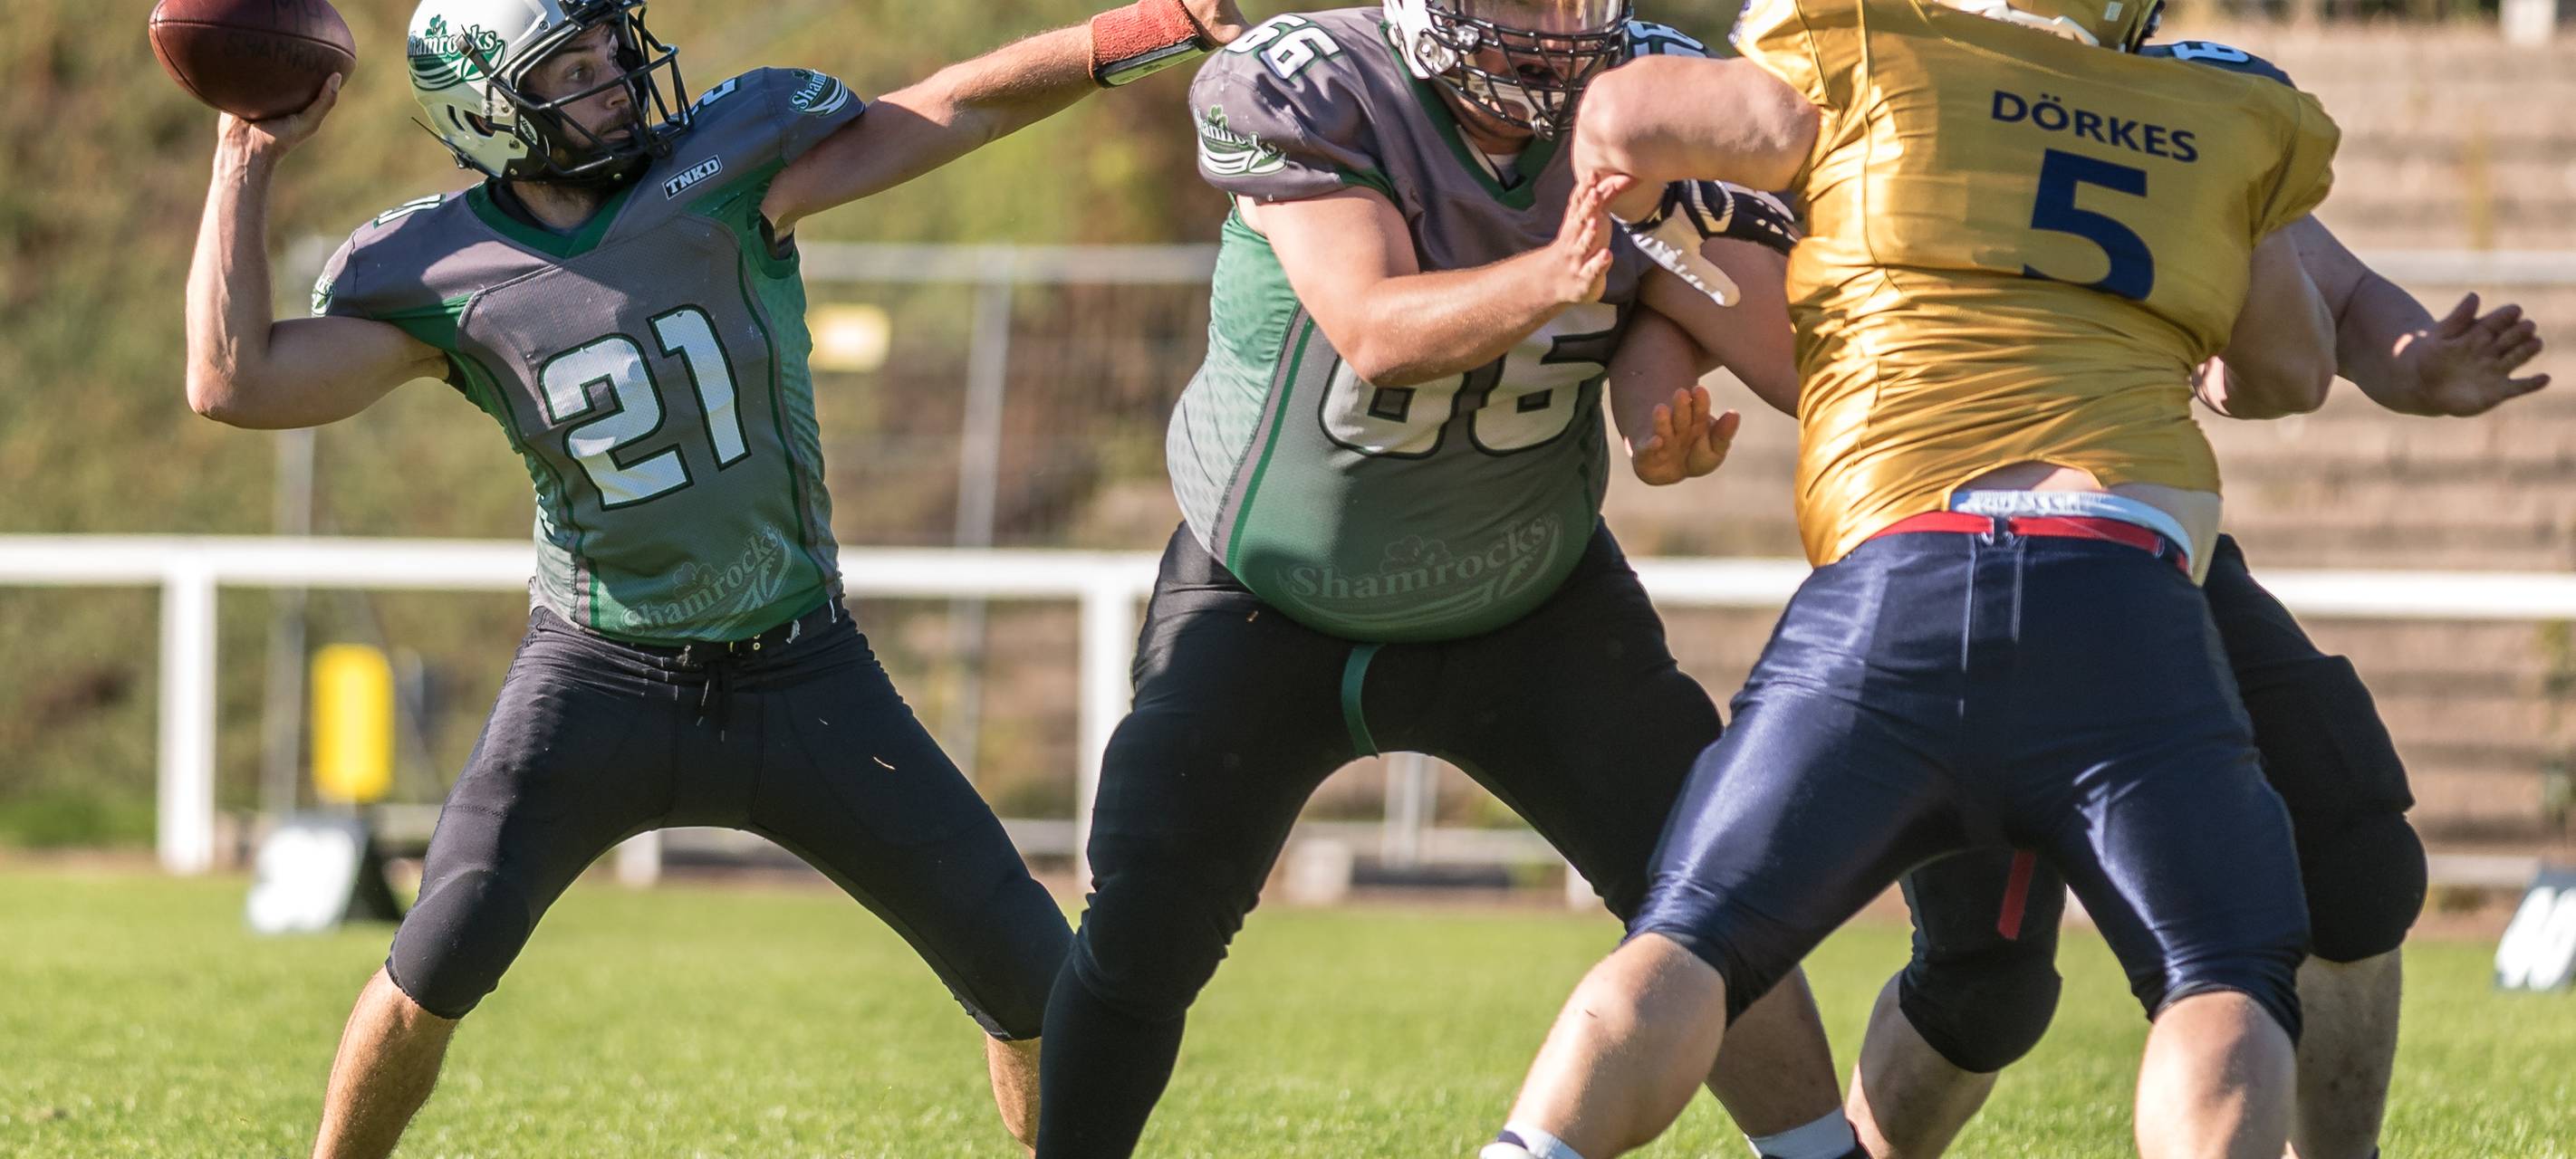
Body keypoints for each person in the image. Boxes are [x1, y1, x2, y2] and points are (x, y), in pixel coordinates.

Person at [179, 0, 1247, 1154]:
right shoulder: (438, 271)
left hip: (802, 666)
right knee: (433, 957)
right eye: (572, 69)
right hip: (597, 676)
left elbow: (953, 105)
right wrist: (246, 153)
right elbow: (234, 381)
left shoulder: (731, 170)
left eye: (607, 50)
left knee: (1033, 973)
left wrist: (1143, 27)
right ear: (490, 112)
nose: (616, 79)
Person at [1478, 0, 2353, 1152]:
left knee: (1691, 937)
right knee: (2220, 971)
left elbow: (1625, 114)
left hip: (1899, 584)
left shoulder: (1873, 47)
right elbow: (2293, 368)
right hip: (2119, 587)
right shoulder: (2216, 109)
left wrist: (1636, 216)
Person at [1030, 4, 1860, 1157]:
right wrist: (1554, 273)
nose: (1553, 26)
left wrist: (1653, 406)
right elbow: (1373, 326)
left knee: (1711, 896)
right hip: (1268, 593)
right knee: (1146, 918)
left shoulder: (1651, 90)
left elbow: (1754, 338)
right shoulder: (1310, 79)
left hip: (1532, 594)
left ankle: (1824, 1153)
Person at [1841, 41, 2549, 1159]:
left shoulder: (2177, 94)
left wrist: (2410, 358)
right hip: (1958, 547)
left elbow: (2330, 287)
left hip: (2149, 544)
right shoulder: (1919, 66)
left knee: (2351, 849)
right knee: (1986, 978)